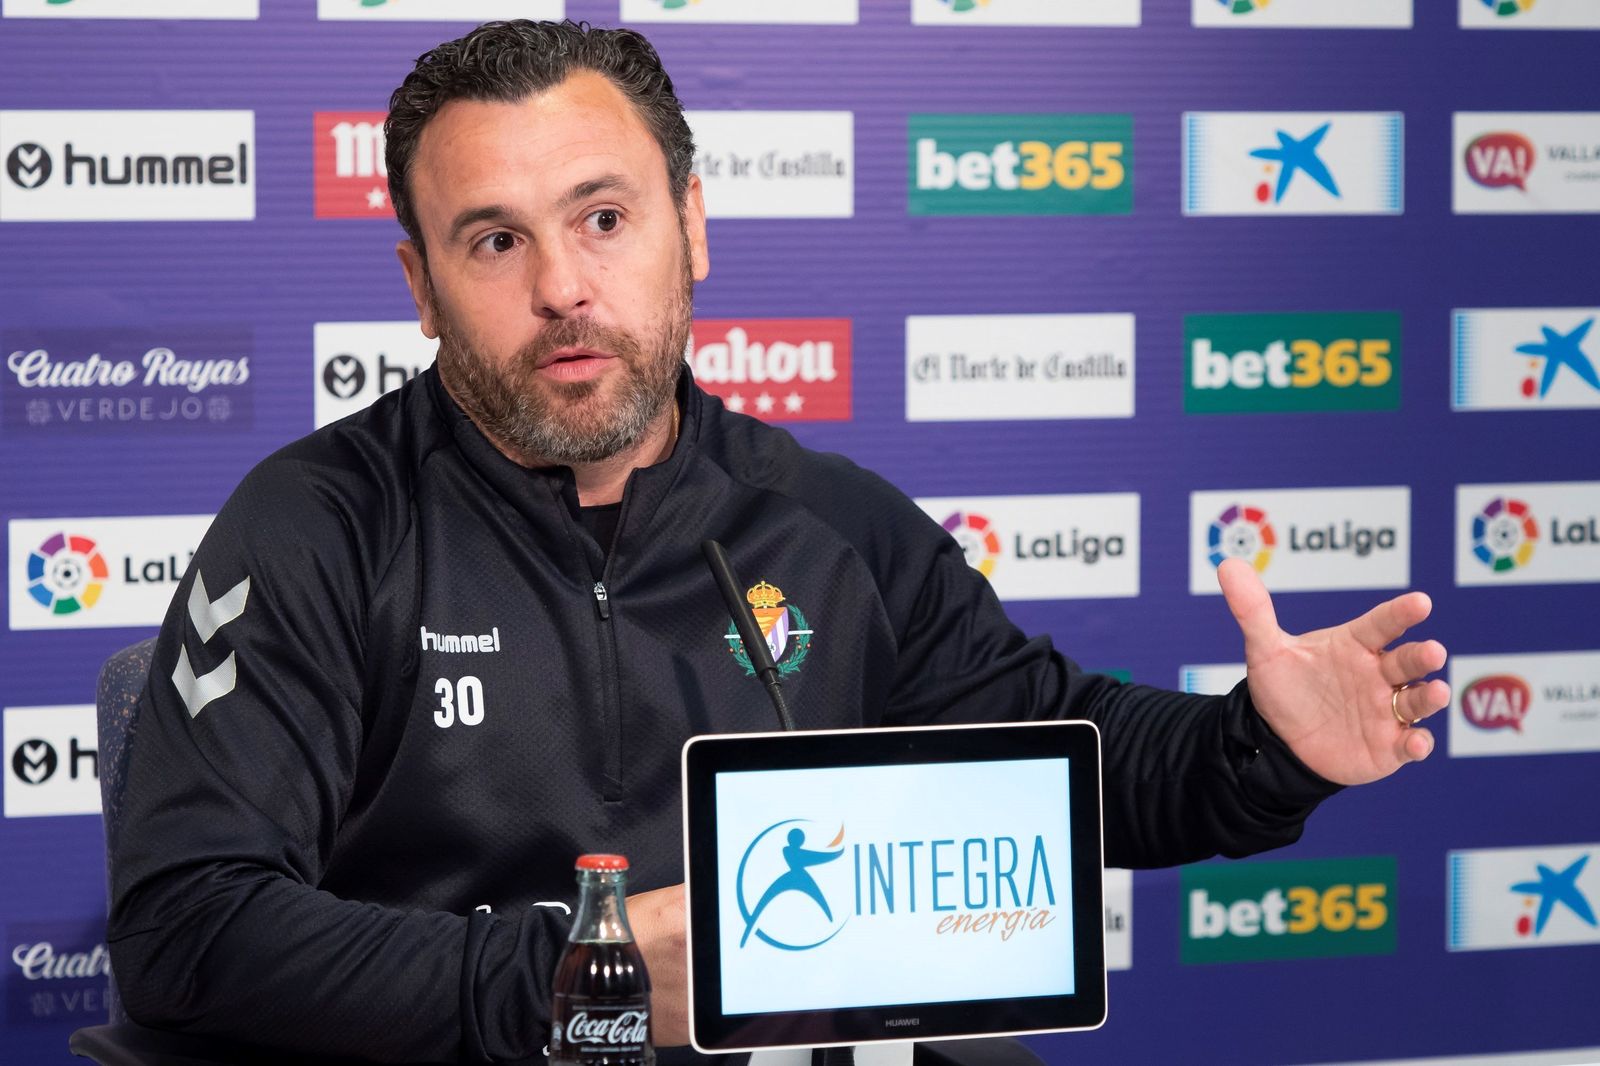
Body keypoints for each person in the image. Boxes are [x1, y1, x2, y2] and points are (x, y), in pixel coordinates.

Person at [106, 19, 1448, 1066]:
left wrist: (1261, 746)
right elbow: (191, 927)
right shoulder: (317, 526)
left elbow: (1060, 768)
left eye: (604, 218)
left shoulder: (825, 519)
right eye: (494, 240)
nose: (563, 287)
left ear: (691, 228)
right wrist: (590, 981)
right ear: (419, 283)